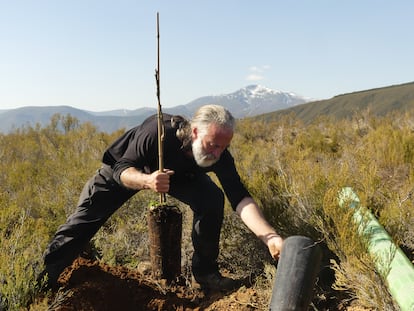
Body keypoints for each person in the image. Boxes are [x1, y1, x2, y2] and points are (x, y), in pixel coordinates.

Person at [39, 104, 283, 291]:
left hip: (179, 175)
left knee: (211, 198)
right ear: (196, 132)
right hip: (128, 172)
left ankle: (205, 274)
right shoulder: (157, 133)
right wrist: (147, 181)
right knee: (84, 220)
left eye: (223, 146)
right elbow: (121, 168)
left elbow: (240, 197)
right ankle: (42, 277)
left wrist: (270, 237)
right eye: (213, 145)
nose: (217, 152)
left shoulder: (219, 153)